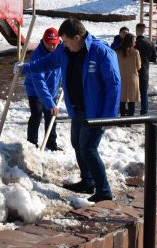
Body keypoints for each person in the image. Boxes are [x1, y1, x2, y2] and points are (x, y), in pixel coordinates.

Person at [15, 18, 120, 202]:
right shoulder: (65, 52)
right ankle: (87, 181)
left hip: (96, 112)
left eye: (66, 40)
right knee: (77, 144)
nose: (63, 44)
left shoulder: (101, 52)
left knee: (89, 148)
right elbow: (46, 63)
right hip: (77, 109)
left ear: (77, 37)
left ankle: (104, 191)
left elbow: (114, 85)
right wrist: (26, 68)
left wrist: (108, 117)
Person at [24, 28, 63, 151]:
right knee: (36, 114)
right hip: (35, 90)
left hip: (53, 90)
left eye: (54, 43)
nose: (52, 46)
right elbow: (39, 82)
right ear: (43, 41)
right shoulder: (37, 55)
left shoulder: (62, 51)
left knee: (51, 117)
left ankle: (51, 144)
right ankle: (32, 144)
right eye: (49, 43)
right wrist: (50, 103)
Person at [115, 33, 141, 117]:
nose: (135, 43)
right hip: (132, 78)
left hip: (121, 77)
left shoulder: (117, 51)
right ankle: (130, 121)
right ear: (131, 41)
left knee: (122, 100)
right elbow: (139, 66)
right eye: (134, 41)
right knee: (131, 100)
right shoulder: (136, 52)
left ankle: (122, 119)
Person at [135, 23, 157, 115]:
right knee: (144, 92)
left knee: (130, 91)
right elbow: (154, 58)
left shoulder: (132, 42)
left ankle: (128, 112)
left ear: (136, 30)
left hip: (133, 71)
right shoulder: (149, 42)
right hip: (144, 70)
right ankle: (144, 112)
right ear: (144, 30)